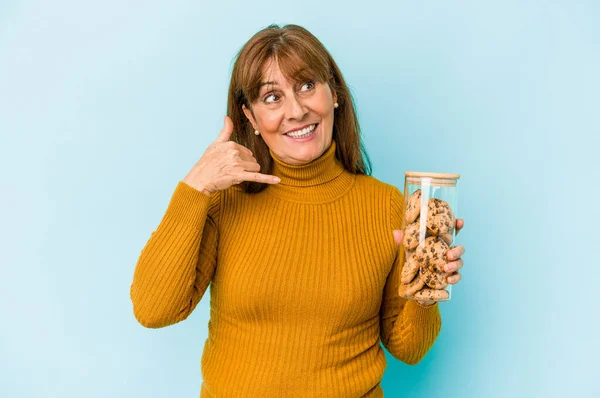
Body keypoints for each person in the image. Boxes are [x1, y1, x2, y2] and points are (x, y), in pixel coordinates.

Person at [130, 23, 466, 397]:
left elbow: (410, 350)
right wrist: (194, 188)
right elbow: (153, 309)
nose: (296, 110)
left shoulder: (388, 206)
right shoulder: (225, 201)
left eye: (307, 85)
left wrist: (426, 290)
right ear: (251, 119)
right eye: (272, 97)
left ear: (334, 95)